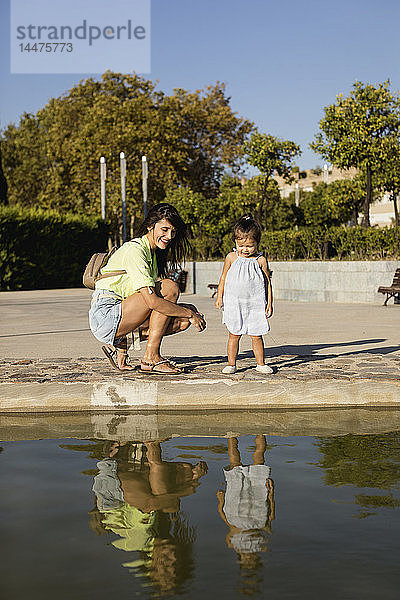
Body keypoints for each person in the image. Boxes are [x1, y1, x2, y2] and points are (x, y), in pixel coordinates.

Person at [89, 203, 206, 374]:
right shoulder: (135, 250)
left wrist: (188, 313)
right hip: (106, 315)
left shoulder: (150, 255)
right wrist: (189, 314)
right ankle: (151, 357)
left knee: (184, 319)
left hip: (120, 314)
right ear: (151, 226)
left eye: (173, 232)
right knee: (170, 288)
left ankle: (123, 344)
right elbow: (152, 301)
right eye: (164, 230)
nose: (169, 236)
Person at [215, 214, 273, 374]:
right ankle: (231, 364)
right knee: (234, 334)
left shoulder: (260, 260)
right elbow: (223, 277)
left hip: (254, 303)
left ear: (257, 244)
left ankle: (260, 363)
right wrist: (220, 296)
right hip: (234, 303)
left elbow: (267, 283)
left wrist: (270, 303)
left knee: (256, 335)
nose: (245, 250)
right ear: (235, 242)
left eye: (249, 246)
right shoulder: (231, 258)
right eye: (241, 245)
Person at [216, 435, 275, 587]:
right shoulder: (262, 544)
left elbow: (225, 520)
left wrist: (221, 501)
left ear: (240, 560)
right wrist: (271, 495)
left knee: (235, 465)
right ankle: (260, 432)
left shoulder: (232, 543)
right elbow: (270, 517)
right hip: (257, 511)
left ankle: (231, 435)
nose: (249, 559)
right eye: (252, 562)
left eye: (246, 563)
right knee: (259, 462)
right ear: (257, 560)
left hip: (235, 510)